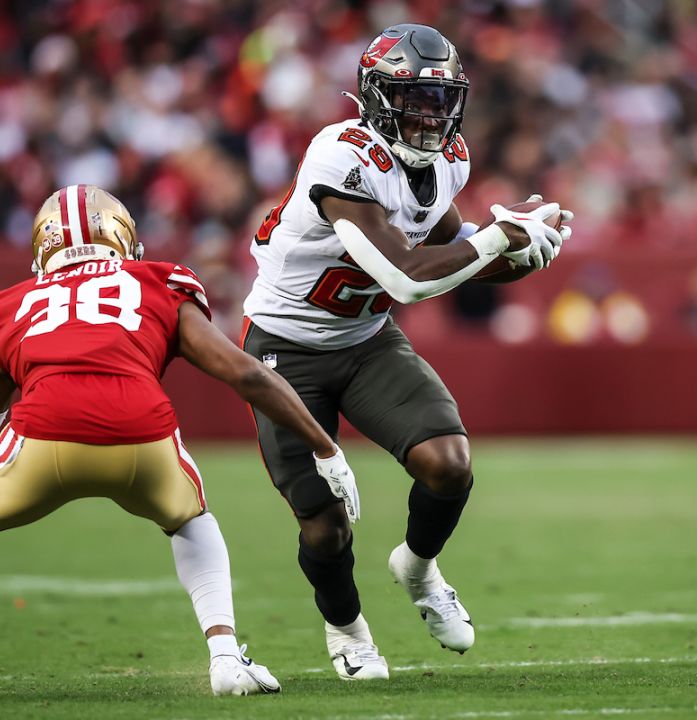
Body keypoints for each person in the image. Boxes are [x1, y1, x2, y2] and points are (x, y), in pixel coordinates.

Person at [0, 185, 359, 696]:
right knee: (192, 519)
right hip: (142, 434)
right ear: (124, 239)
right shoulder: (161, 280)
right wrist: (325, 445)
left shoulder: (12, 303)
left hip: (42, 433)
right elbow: (245, 375)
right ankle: (226, 657)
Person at [240, 24, 573, 680]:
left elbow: (451, 257)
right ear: (375, 96)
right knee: (326, 525)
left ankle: (418, 568)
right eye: (415, 97)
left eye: (441, 97)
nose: (432, 113)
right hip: (286, 348)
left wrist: (518, 252)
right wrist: (499, 236)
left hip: (366, 341)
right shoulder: (342, 156)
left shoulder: (448, 161)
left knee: (448, 463)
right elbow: (405, 276)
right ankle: (347, 630)